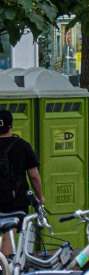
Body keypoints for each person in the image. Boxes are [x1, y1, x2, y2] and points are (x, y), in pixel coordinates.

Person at [0, 109, 40, 256]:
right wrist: (39, 197)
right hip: (16, 203)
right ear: (11, 125)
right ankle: (5, 273)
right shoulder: (22, 145)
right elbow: (34, 175)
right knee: (9, 234)